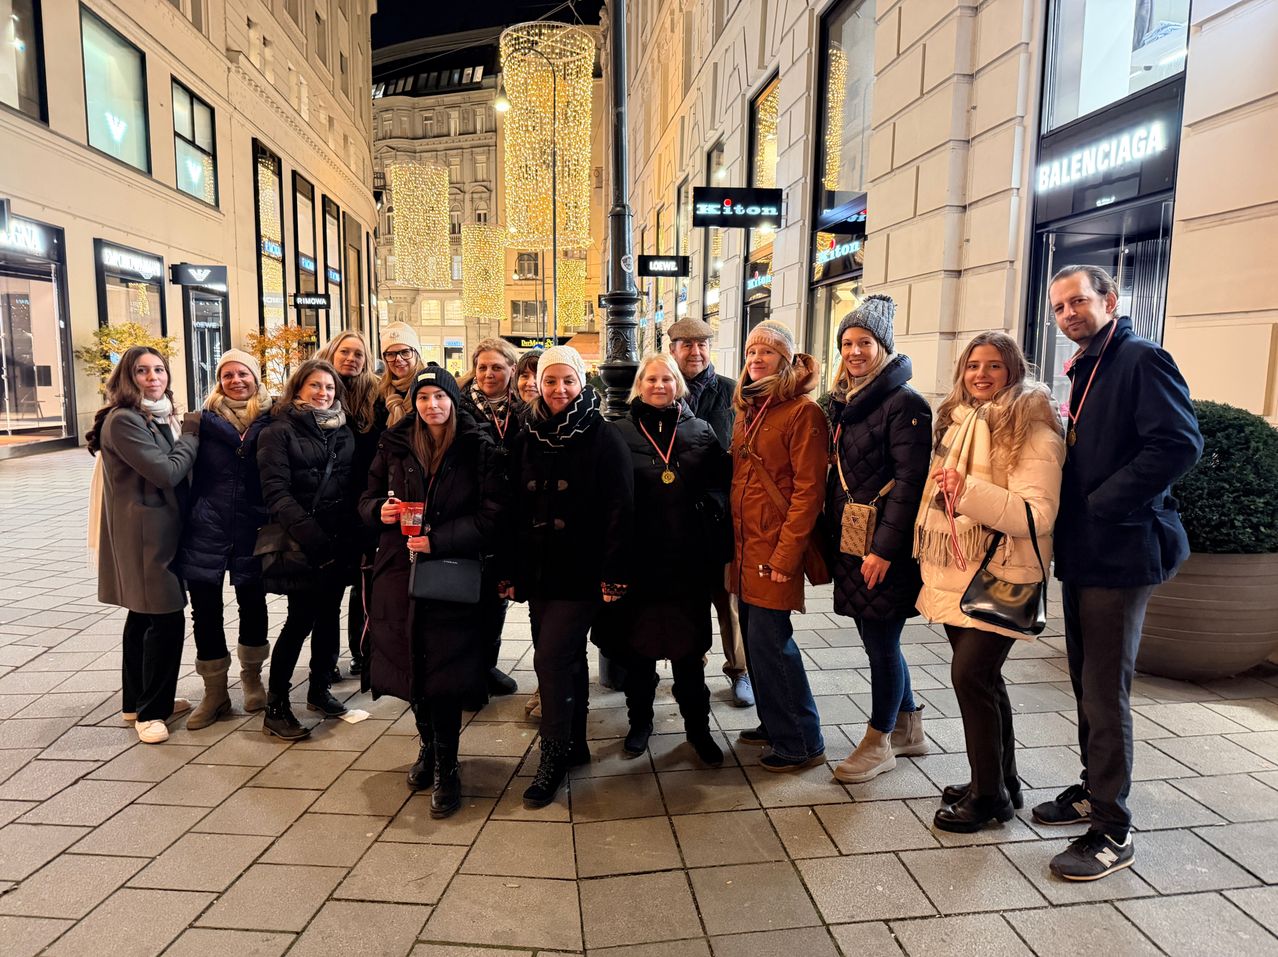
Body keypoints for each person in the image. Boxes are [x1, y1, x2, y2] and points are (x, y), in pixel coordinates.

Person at [1034, 264, 1202, 880]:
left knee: (1106, 691)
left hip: (1122, 550)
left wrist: (1101, 502)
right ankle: (1091, 789)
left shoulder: (1139, 357)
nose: (1067, 313)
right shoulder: (1087, 363)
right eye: (1057, 307)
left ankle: (1113, 829)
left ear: (1109, 299)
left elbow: (1180, 444)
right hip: (1087, 552)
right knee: (1085, 679)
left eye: (1077, 301)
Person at [914, 332, 1064, 831]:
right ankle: (1001, 781)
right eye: (973, 365)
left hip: (1001, 570)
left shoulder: (1032, 429)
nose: (981, 374)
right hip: (957, 568)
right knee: (984, 680)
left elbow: (1036, 515)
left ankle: (988, 800)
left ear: (1013, 371)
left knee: (970, 677)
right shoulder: (958, 422)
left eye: (994, 366)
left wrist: (968, 491)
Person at [359, 365, 503, 818]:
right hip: (399, 572)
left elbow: (494, 515)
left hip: (450, 575)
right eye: (423, 399)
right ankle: (427, 748)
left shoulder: (477, 447)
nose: (431, 406)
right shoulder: (395, 444)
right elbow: (364, 498)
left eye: (439, 397)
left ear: (451, 400)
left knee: (443, 672)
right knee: (410, 668)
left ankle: (448, 765)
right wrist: (377, 512)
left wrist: (440, 539)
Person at [502, 346, 633, 808]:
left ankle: (552, 755)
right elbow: (514, 509)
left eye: (567, 381)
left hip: (582, 570)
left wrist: (614, 572)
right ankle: (574, 743)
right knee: (564, 658)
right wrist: (510, 570)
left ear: (582, 383)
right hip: (539, 571)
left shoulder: (603, 435)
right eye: (550, 381)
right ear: (538, 383)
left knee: (551, 660)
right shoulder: (525, 434)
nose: (559, 390)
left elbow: (621, 509)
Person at [597, 353, 729, 765]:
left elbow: (721, 488)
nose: (659, 385)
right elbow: (607, 502)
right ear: (639, 385)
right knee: (639, 654)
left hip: (687, 563)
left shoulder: (701, 431)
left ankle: (698, 729)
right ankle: (640, 723)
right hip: (640, 562)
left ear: (679, 385)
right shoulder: (616, 433)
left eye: (667, 379)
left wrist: (709, 516)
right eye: (651, 379)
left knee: (690, 654)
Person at [822, 296, 932, 784]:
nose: (853, 351)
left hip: (881, 544)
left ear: (883, 346)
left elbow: (911, 481)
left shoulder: (905, 404)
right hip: (853, 534)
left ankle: (879, 739)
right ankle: (909, 727)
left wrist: (884, 550)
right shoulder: (846, 401)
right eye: (846, 343)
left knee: (882, 641)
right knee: (875, 633)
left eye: (863, 342)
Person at [729, 320, 830, 772]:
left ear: (785, 360)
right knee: (757, 643)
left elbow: (810, 491)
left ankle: (802, 742)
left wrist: (786, 557)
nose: (756, 360)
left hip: (773, 551)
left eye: (766, 353)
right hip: (746, 546)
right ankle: (775, 722)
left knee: (773, 645)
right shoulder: (751, 408)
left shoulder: (802, 412)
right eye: (751, 352)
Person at [86, 346, 200, 744]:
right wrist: (190, 434)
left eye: (159, 369)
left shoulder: (153, 414)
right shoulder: (124, 421)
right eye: (142, 371)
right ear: (126, 377)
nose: (153, 377)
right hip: (145, 536)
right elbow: (166, 472)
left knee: (142, 618)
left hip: (159, 532)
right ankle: (151, 712)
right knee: (166, 618)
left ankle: (136, 701)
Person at [257, 359, 357, 739]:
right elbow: (276, 493)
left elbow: (350, 488)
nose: (323, 393)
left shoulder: (343, 431)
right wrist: (312, 537)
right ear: (297, 389)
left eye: (329, 388)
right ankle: (276, 706)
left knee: (330, 614)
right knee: (300, 619)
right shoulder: (278, 431)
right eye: (314, 386)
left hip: (338, 541)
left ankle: (319, 688)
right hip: (303, 541)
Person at [173, 349, 273, 727]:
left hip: (253, 526)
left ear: (255, 378)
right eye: (228, 375)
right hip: (206, 527)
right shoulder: (200, 422)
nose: (236, 380)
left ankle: (251, 678)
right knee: (205, 611)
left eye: (243, 373)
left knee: (253, 602)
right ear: (219, 380)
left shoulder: (271, 419)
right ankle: (215, 692)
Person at [666, 316, 752, 709]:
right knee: (686, 599)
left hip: (722, 517)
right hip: (679, 520)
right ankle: (692, 666)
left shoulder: (733, 393)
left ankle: (740, 671)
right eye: (687, 344)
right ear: (673, 350)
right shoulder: (664, 393)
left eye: (702, 344)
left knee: (729, 599)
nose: (695, 351)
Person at [456, 337, 530, 698]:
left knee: (498, 594)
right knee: (468, 596)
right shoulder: (458, 406)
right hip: (471, 509)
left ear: (511, 370)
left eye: (497, 367)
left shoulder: (524, 409)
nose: (488, 373)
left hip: (511, 514)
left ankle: (487, 664)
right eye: (482, 366)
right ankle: (467, 672)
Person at [318, 331, 380, 678]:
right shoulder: (319, 389)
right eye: (345, 351)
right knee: (327, 591)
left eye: (359, 353)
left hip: (361, 506)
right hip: (326, 508)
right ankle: (324, 663)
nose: (352, 359)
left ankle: (362, 652)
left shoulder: (373, 396)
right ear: (332, 352)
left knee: (364, 584)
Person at [375, 322, 427, 430]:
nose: (398, 359)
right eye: (391, 354)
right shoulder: (380, 392)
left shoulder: (432, 386)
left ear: (416, 354)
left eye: (405, 352)